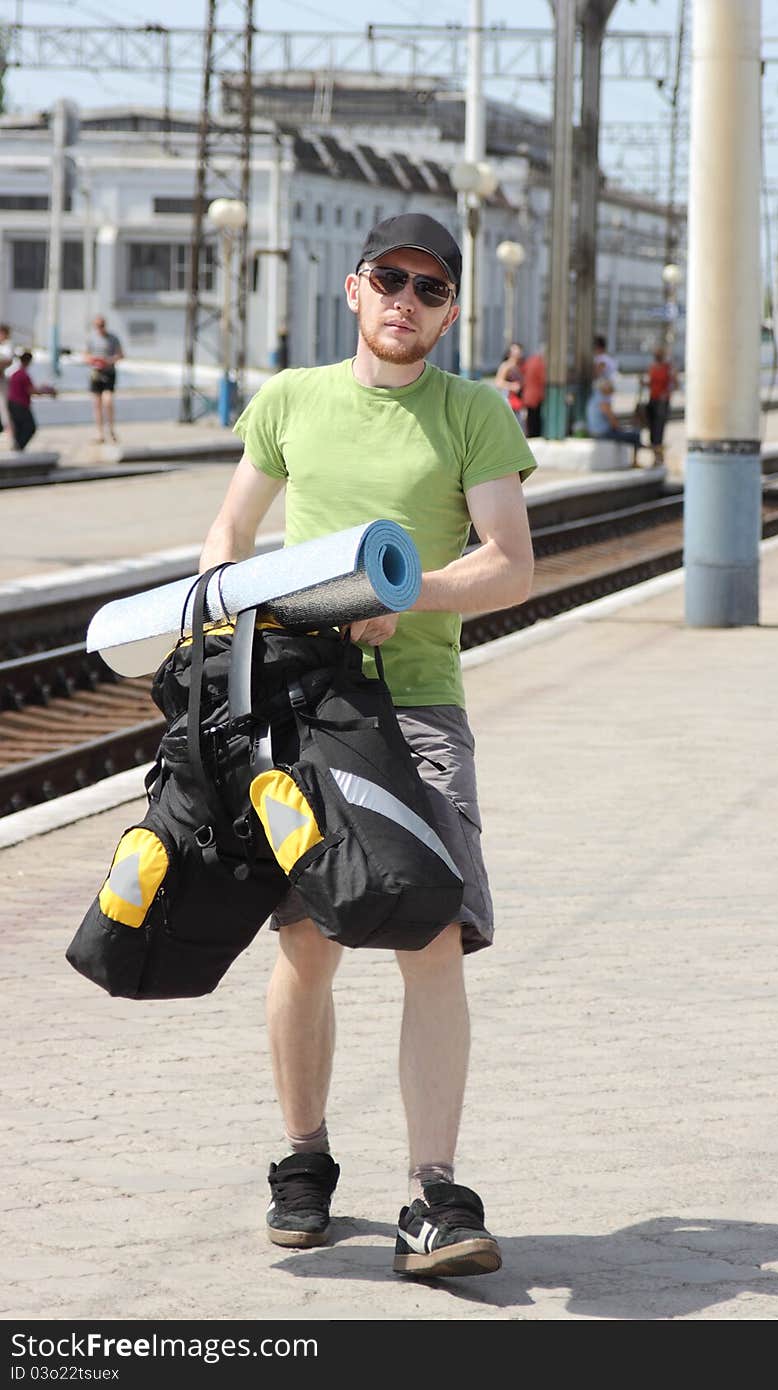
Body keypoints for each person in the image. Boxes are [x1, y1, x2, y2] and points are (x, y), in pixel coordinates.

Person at [199, 212, 535, 1278]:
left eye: (429, 289)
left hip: (421, 705)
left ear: (448, 312)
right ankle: (304, 1161)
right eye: (389, 278)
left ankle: (434, 1193)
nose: (406, 299)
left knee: (431, 936)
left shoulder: (471, 413)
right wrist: (223, 614)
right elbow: (230, 533)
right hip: (305, 710)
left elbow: (511, 562)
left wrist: (411, 593)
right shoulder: (291, 400)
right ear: (353, 290)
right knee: (306, 940)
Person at [586, 375, 642, 465]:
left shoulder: (595, 397)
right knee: (635, 435)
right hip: (602, 433)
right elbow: (612, 420)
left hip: (596, 432)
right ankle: (635, 462)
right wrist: (620, 429)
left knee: (630, 433)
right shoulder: (603, 400)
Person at [7, 350, 56, 451]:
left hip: (13, 403)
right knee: (30, 427)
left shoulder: (15, 374)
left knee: (19, 428)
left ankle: (17, 447)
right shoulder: (23, 375)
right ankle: (19, 447)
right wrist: (47, 391)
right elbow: (32, 391)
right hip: (20, 404)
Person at [85, 314, 124, 443]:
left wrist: (108, 361)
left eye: (101, 325)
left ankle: (111, 429)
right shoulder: (92, 339)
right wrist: (92, 360)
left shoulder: (113, 338)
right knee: (97, 404)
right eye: (97, 326)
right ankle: (99, 432)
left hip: (109, 372)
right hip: (96, 373)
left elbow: (120, 354)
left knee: (108, 401)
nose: (100, 328)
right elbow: (86, 355)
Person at [640, 345, 678, 465]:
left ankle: (659, 456)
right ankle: (655, 455)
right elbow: (650, 383)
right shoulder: (652, 367)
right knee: (652, 428)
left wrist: (666, 393)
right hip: (653, 399)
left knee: (659, 429)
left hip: (662, 401)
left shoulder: (668, 368)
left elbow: (674, 384)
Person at [493, 341, 525, 418]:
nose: (517, 354)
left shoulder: (521, 366)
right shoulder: (506, 366)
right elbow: (498, 382)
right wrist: (511, 386)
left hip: (519, 402)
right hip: (508, 401)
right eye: (514, 352)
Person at [520, 347, 546, 438]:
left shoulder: (530, 361)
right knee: (535, 416)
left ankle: (531, 433)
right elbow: (543, 378)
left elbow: (522, 372)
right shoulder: (539, 363)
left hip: (527, 393)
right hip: (535, 394)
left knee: (530, 416)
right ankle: (534, 434)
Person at [0, 323, 14, 441]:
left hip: (3, 380)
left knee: (4, 406)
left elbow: (7, 361)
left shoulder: (7, 346)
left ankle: (9, 429)